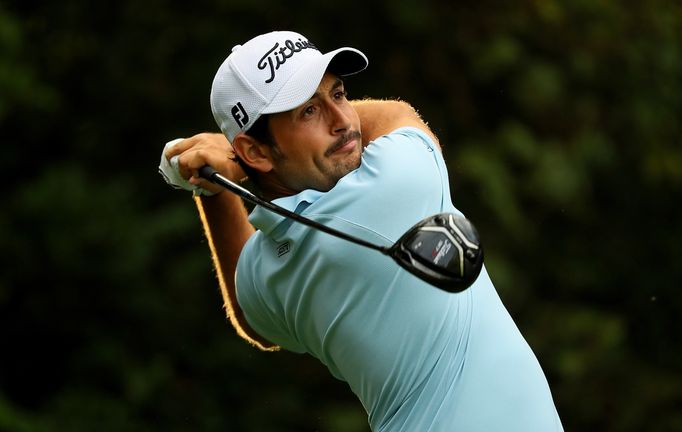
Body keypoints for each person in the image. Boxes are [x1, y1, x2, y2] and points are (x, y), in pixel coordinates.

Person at [159, 30, 563, 431]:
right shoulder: (395, 181)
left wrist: (213, 189)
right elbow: (398, 115)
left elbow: (250, 318)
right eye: (308, 111)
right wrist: (231, 158)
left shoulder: (267, 275)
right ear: (256, 152)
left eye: (337, 94)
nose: (342, 121)